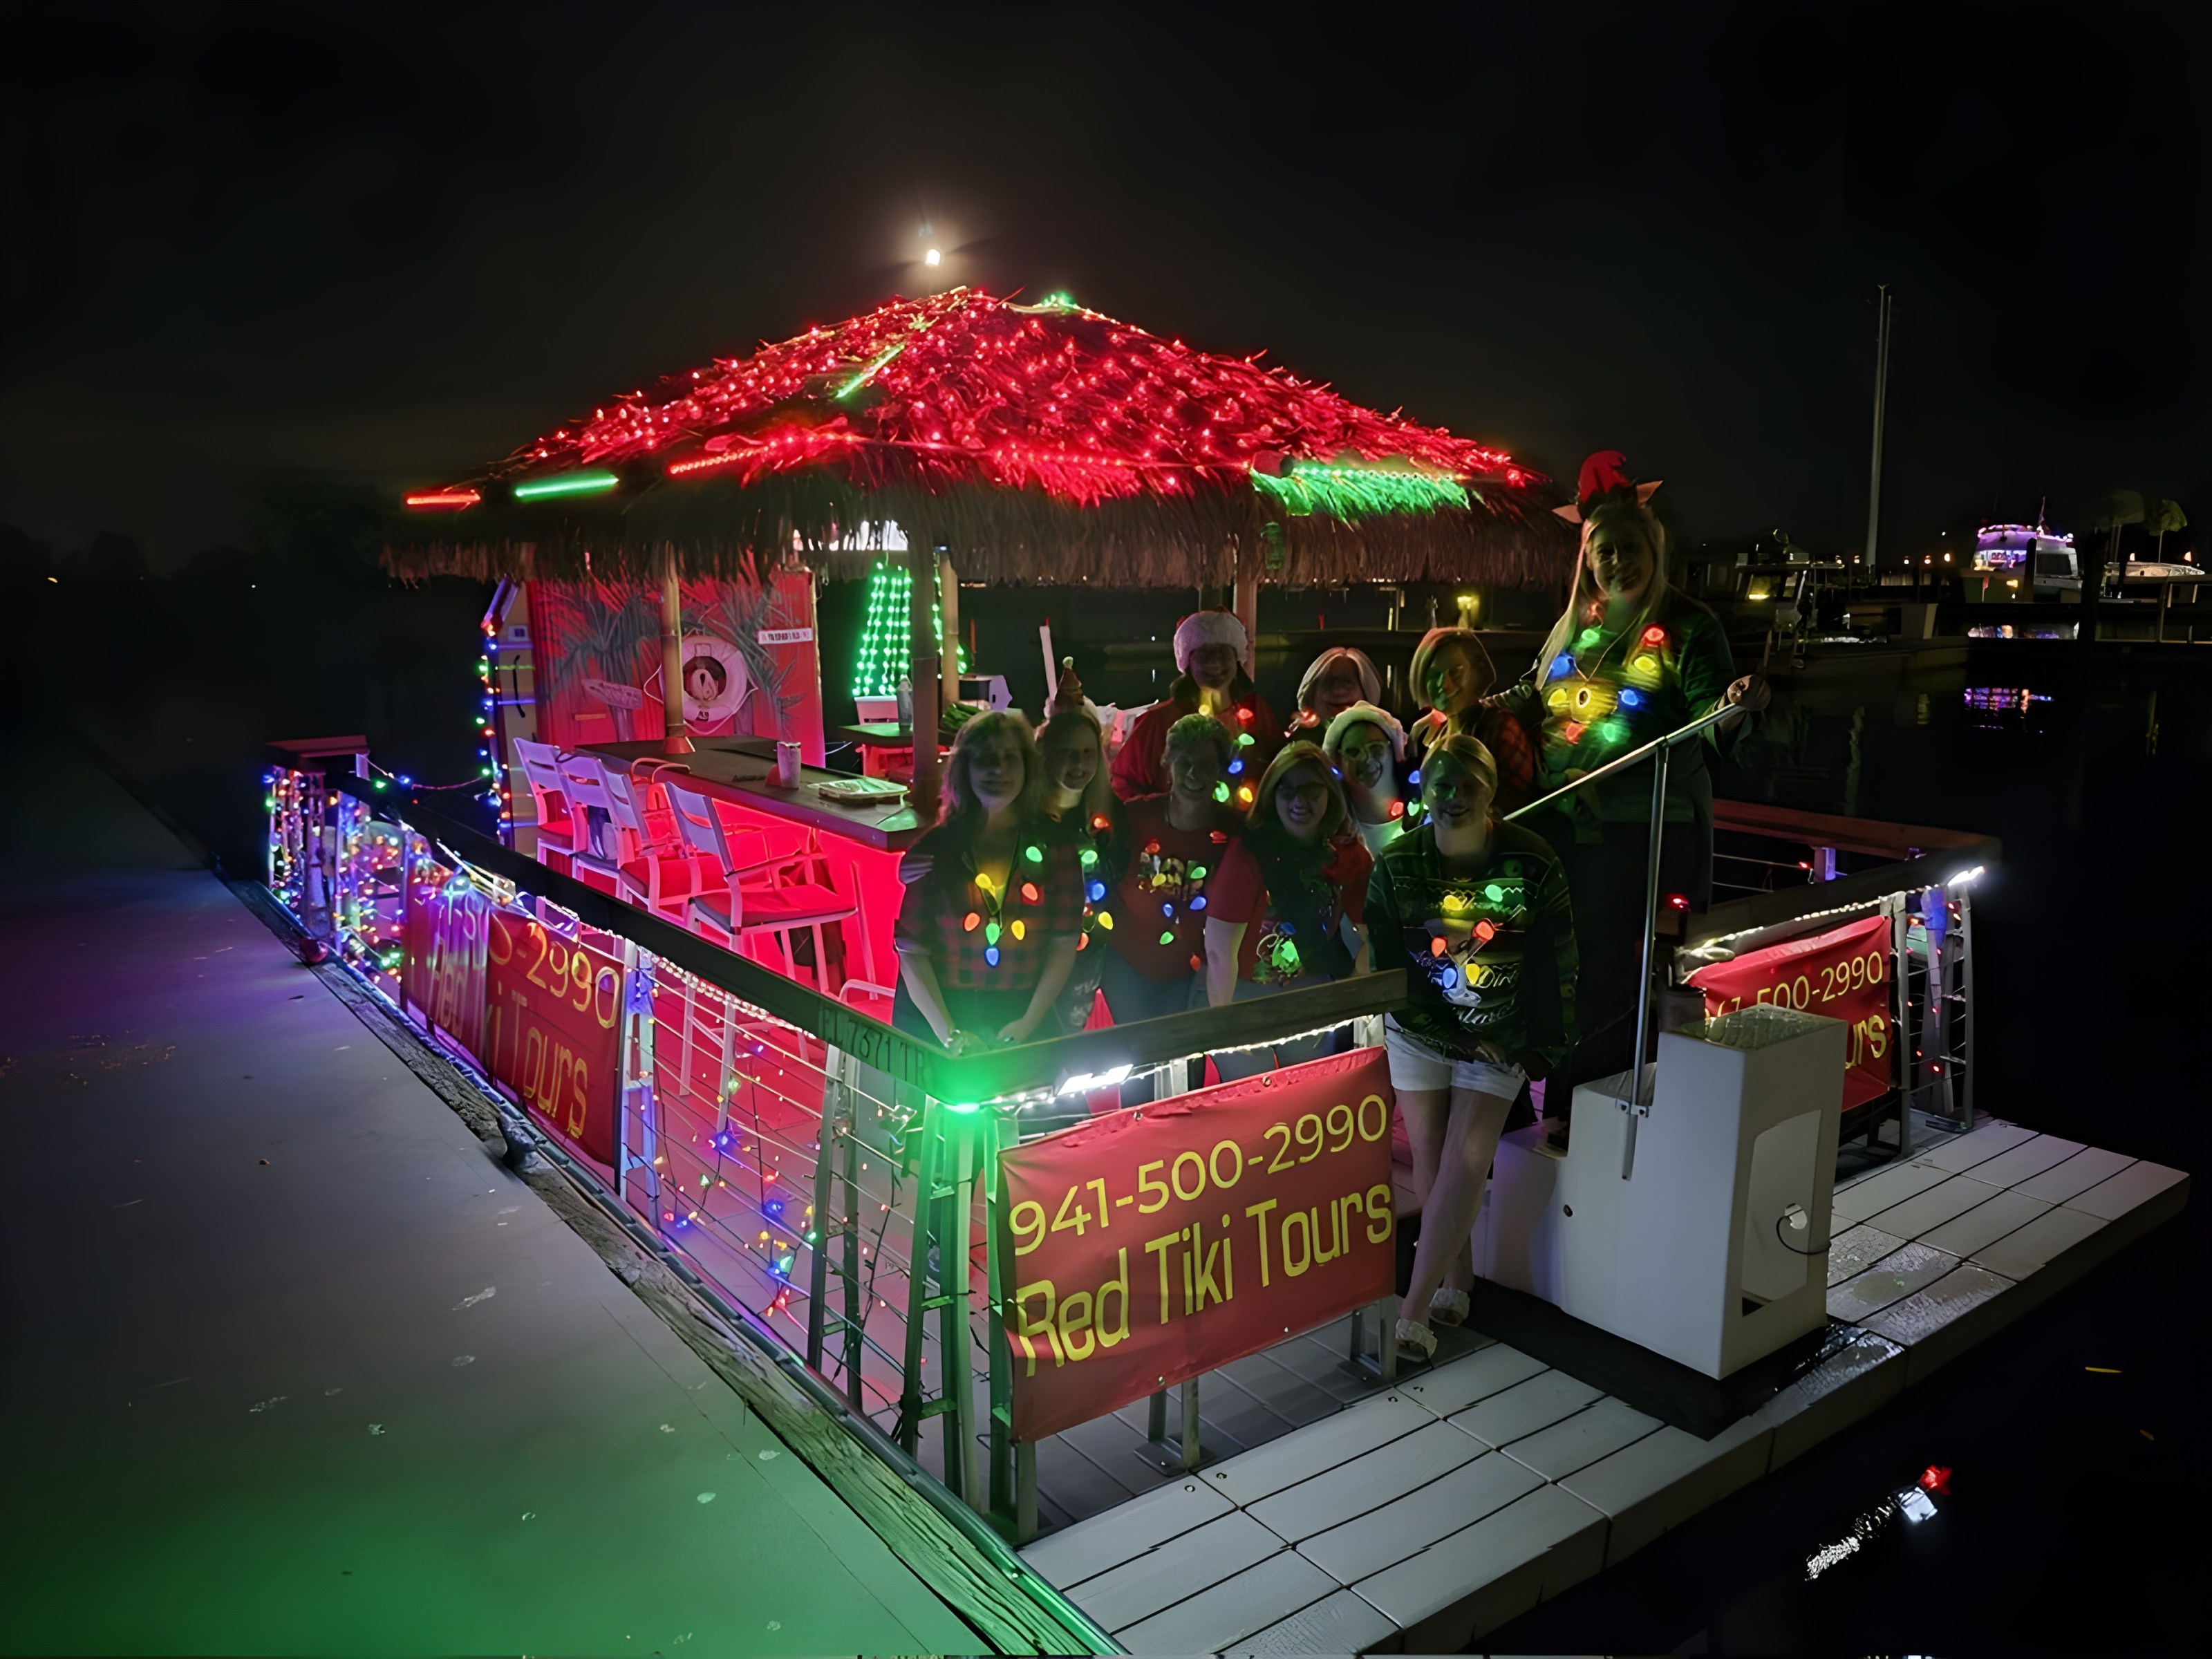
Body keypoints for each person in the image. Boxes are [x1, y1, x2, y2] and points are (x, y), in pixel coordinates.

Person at [1484, 450, 1768, 1134]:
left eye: (1628, 548)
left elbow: (1710, 718)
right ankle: (1521, 1105)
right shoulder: (1576, 623)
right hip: (1557, 822)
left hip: (1641, 831)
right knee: (1528, 956)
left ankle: (1586, 1120)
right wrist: (1468, 711)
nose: (1616, 562)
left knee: (1606, 972)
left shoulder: (1689, 625)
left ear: (1653, 549)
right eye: (1603, 550)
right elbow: (1529, 693)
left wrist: (1735, 705)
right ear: (1587, 557)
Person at [1364, 734, 1577, 1361]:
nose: (1453, 796)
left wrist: (1545, 1045)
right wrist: (1451, 1034)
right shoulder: (1395, 864)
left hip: (1501, 1035)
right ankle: (1457, 1279)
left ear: (1492, 791)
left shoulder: (1533, 860)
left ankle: (1412, 1311)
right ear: (1424, 791)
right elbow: (1388, 969)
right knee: (1432, 1154)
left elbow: (1561, 958)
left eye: (1468, 784)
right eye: (1442, 784)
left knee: (1469, 1154)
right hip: (1420, 1029)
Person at [891, 713, 1085, 1053]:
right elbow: (911, 951)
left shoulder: (1056, 846)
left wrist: (1027, 1024)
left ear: (1027, 767)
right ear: (964, 769)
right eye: (986, 758)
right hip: (937, 1015)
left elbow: (1063, 945)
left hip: (1024, 1012)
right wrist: (950, 1035)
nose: (999, 769)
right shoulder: (939, 847)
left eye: (1010, 757)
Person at [1098, 714, 1257, 1094]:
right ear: (1167, 762)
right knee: (1140, 1060)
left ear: (1220, 769)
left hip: (1195, 970)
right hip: (1128, 963)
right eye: (1185, 761)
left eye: (1206, 764)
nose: (1194, 773)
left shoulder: (1236, 831)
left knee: (1187, 1064)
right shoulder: (1134, 816)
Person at [1203, 742, 1373, 1080]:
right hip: (1241, 991)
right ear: (1272, 794)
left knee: (1310, 1089)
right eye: (1287, 789)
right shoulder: (1249, 854)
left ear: (1330, 793)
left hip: (1310, 988)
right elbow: (1220, 952)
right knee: (1252, 1093)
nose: (1299, 800)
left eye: (1311, 789)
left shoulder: (1349, 857)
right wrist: (1226, 1025)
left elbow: (1373, 934)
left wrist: (1352, 995)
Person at [1035, 659, 1125, 1035]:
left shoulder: (1110, 814)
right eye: (1068, 753)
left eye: (1088, 753)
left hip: (1089, 953)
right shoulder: (1028, 817)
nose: (1079, 764)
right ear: (1048, 754)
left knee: (1067, 1038)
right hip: (1033, 953)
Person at [1109, 610, 1282, 801]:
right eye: (1204, 654)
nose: (1215, 662)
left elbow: (1281, 767)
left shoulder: (1255, 712)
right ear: (1187, 662)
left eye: (1223, 653)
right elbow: (1122, 786)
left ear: (1237, 659)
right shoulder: (1158, 722)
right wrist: (1169, 807)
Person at [1408, 625, 1535, 812]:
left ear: (1476, 671)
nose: (1444, 685)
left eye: (1456, 673)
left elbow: (1522, 802)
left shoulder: (1498, 726)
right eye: (1434, 676)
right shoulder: (1433, 733)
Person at [1324, 701, 1414, 857]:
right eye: (1353, 752)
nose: (1366, 759)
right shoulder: (1331, 833)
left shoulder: (1426, 813)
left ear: (1394, 751)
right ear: (1339, 762)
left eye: (1376, 748)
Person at [1286, 646, 1382, 740]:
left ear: (1365, 695)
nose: (1339, 690)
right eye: (1329, 681)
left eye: (1347, 682)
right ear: (1312, 696)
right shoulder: (1299, 740)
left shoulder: (1379, 739)